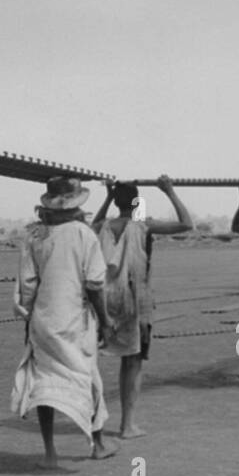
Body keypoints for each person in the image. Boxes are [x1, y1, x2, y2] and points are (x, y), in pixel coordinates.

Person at [12, 177, 115, 464]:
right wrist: (105, 321)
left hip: (44, 319)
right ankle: (98, 444)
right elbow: (95, 284)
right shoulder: (84, 235)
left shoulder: (35, 237)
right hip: (75, 320)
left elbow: (28, 286)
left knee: (44, 382)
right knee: (87, 376)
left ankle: (50, 452)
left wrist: (29, 323)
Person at [91, 176, 193, 438]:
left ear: (116, 202)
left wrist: (107, 197)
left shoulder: (103, 226)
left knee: (95, 361)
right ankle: (127, 426)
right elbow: (186, 223)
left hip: (105, 299)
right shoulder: (143, 226)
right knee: (132, 362)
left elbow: (93, 224)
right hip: (136, 300)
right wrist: (170, 192)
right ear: (137, 202)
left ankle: (96, 423)